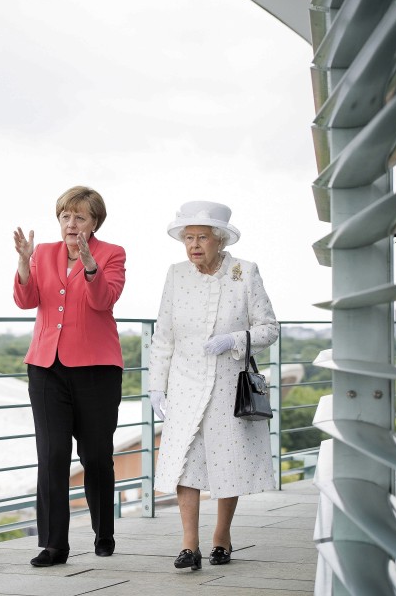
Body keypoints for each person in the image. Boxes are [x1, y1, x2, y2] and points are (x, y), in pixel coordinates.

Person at [148, 200, 278, 570]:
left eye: (201, 237)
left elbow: (270, 328)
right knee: (185, 461)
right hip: (186, 382)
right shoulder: (176, 274)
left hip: (227, 382)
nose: (193, 245)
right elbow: (164, 335)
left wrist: (234, 340)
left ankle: (222, 536)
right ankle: (189, 545)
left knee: (227, 460)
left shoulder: (244, 272)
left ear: (219, 239)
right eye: (188, 238)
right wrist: (157, 385)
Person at [12, 185, 126, 567]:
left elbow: (104, 301)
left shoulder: (112, 254)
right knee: (53, 455)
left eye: (80, 217)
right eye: (65, 216)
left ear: (94, 222)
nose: (71, 223)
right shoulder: (43, 253)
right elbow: (27, 301)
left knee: (95, 456)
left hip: (97, 369)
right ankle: (54, 544)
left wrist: (90, 266)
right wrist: (25, 264)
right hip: (46, 368)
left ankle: (103, 532)